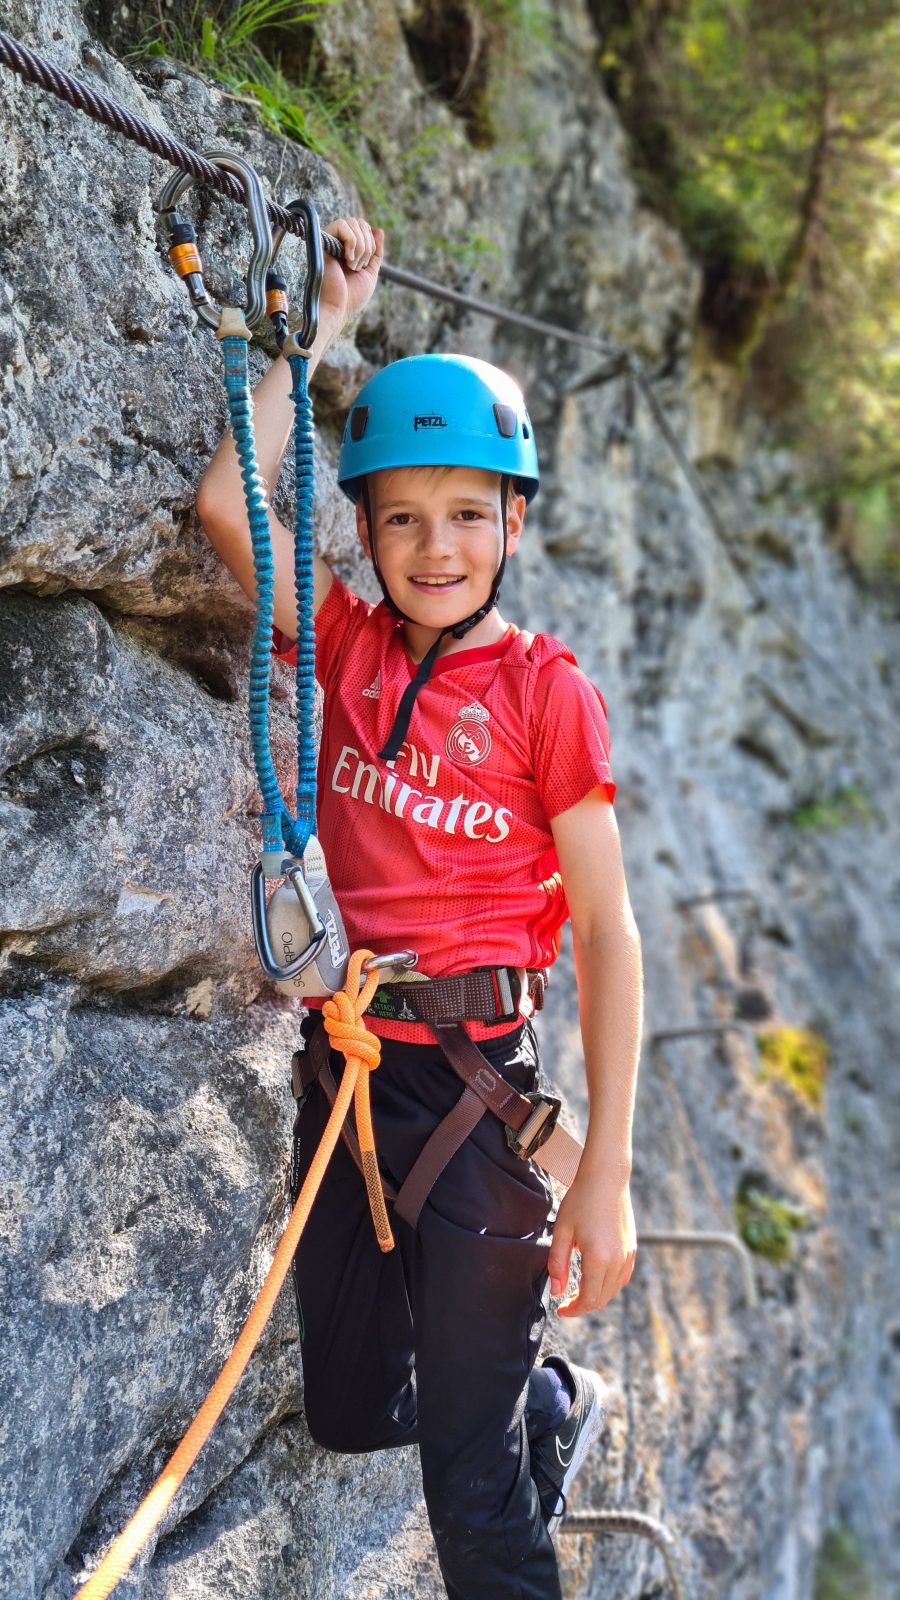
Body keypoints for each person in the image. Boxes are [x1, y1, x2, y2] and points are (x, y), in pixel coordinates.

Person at [196, 215, 643, 1600]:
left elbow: (612, 937)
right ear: (368, 528)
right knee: (345, 1408)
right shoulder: (347, 647)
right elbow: (227, 508)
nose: (433, 547)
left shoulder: (544, 695)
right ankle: (536, 1399)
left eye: (466, 514)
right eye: (401, 516)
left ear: (513, 523)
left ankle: (515, 1435)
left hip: (473, 1093)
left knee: (474, 1504)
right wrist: (319, 333)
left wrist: (608, 1180)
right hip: (353, 1065)